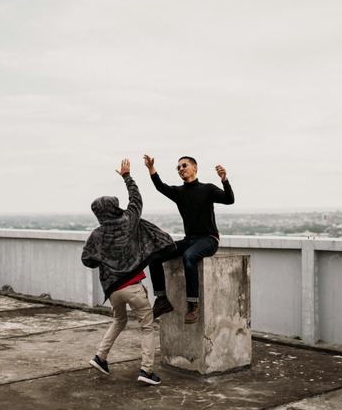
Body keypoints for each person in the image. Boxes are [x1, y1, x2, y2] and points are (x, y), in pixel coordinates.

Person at [82, 158, 176, 385]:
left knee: (119, 321)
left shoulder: (96, 234)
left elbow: (87, 260)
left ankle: (100, 357)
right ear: (114, 207)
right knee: (147, 327)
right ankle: (146, 370)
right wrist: (127, 176)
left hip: (113, 290)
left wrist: (104, 260)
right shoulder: (128, 221)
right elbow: (136, 199)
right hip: (133, 286)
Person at [143, 154, 235, 324]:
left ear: (195, 167)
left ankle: (193, 305)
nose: (181, 169)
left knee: (189, 257)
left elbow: (229, 200)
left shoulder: (207, 189)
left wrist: (224, 180)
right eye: (178, 167)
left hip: (209, 239)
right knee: (154, 256)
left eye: (184, 165)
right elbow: (160, 187)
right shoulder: (179, 192)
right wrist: (151, 169)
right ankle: (162, 300)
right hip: (189, 240)